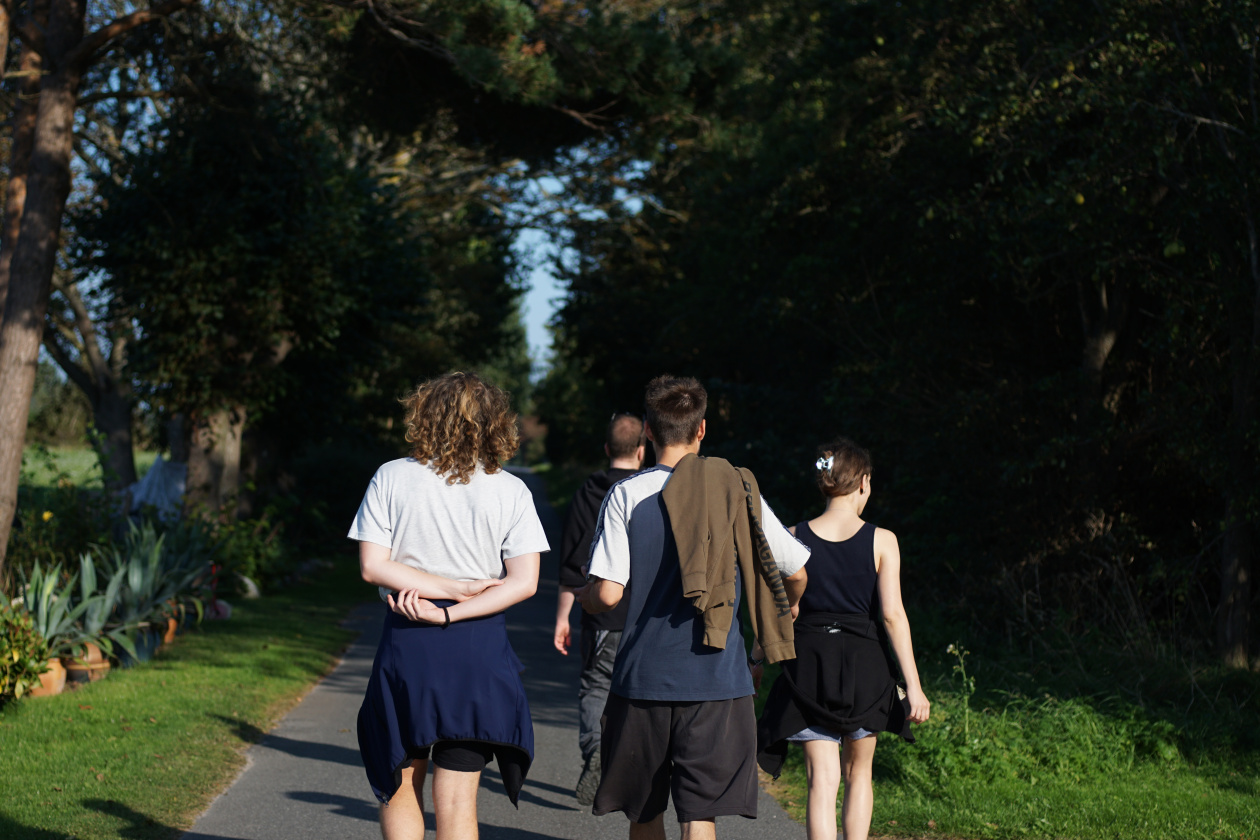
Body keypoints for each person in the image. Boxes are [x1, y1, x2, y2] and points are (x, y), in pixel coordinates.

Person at [578, 375, 810, 840]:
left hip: (643, 680)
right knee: (700, 815)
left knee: (644, 813)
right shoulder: (736, 488)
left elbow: (607, 594)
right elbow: (797, 570)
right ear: (702, 429)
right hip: (718, 679)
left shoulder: (626, 494)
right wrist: (790, 610)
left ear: (648, 430)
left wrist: (583, 596)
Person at [349, 371, 550, 840]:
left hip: (408, 641)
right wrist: (455, 601)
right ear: (493, 422)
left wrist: (440, 598)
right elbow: (524, 582)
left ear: (425, 414)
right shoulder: (511, 490)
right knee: (458, 801)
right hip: (479, 651)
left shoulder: (391, 476)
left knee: (401, 784)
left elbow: (373, 566)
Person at [756, 438, 931, 840]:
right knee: (858, 773)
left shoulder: (793, 536)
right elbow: (892, 615)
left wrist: (756, 660)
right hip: (866, 667)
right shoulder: (883, 540)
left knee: (822, 780)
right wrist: (914, 686)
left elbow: (779, 611)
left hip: (809, 665)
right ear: (863, 482)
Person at [554, 412, 645, 805]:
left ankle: (595, 749)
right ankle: (635, 765)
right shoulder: (652, 491)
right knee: (639, 694)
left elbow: (571, 563)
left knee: (595, 687)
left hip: (600, 612)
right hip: (646, 617)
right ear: (641, 451)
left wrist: (563, 617)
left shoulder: (588, 492)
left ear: (607, 448)